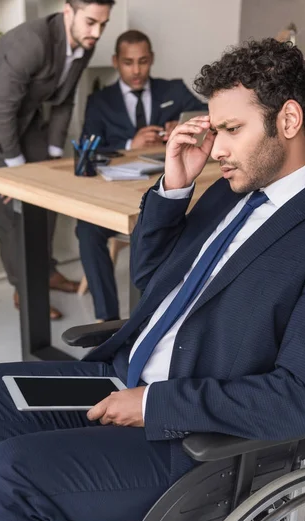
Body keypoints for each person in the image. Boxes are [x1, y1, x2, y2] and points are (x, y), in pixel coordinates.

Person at [0, 38, 305, 521]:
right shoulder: (233, 187)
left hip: (186, 436)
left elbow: (300, 399)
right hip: (119, 377)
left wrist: (154, 404)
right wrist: (174, 187)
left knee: (9, 474)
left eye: (232, 129)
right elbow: (151, 279)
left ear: (289, 119)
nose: (218, 147)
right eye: (215, 130)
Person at [0, 0, 114, 320]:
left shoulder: (85, 42)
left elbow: (64, 101)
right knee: (13, 207)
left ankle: (47, 270)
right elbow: (2, 110)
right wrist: (17, 174)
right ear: (69, 11)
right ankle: (24, 289)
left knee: (48, 195)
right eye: (90, 22)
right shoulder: (33, 41)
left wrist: (53, 155)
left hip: (24, 116)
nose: (96, 32)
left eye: (103, 24)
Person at [77, 29, 206, 322]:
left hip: (167, 189)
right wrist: (129, 145)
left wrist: (182, 128)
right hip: (117, 192)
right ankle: (107, 321)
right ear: (115, 62)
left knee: (148, 225)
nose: (136, 70)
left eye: (143, 61)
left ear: (152, 60)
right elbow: (89, 147)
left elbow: (207, 115)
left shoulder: (172, 90)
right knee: (86, 229)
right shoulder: (99, 101)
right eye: (128, 62)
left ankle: (148, 318)